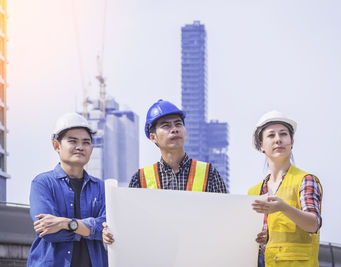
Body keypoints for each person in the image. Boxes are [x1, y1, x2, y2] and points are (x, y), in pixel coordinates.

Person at [102, 99, 227, 244]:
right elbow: (132, 226)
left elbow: (223, 218)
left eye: (178, 124)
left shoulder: (209, 174)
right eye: (166, 126)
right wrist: (111, 232)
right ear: (153, 137)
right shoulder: (140, 179)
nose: (174, 129)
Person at [27, 113, 108, 267]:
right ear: (57, 146)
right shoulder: (43, 183)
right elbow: (48, 232)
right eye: (72, 141)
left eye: (86, 142)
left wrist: (66, 223)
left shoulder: (102, 188)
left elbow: (106, 228)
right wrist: (89, 230)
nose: (80, 147)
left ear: (91, 148)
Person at [249, 110, 323, 267]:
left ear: (292, 141)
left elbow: (313, 224)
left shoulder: (305, 180)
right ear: (261, 145)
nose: (278, 140)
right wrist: (262, 240)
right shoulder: (254, 193)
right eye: (271, 135)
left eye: (283, 134)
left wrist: (282, 207)